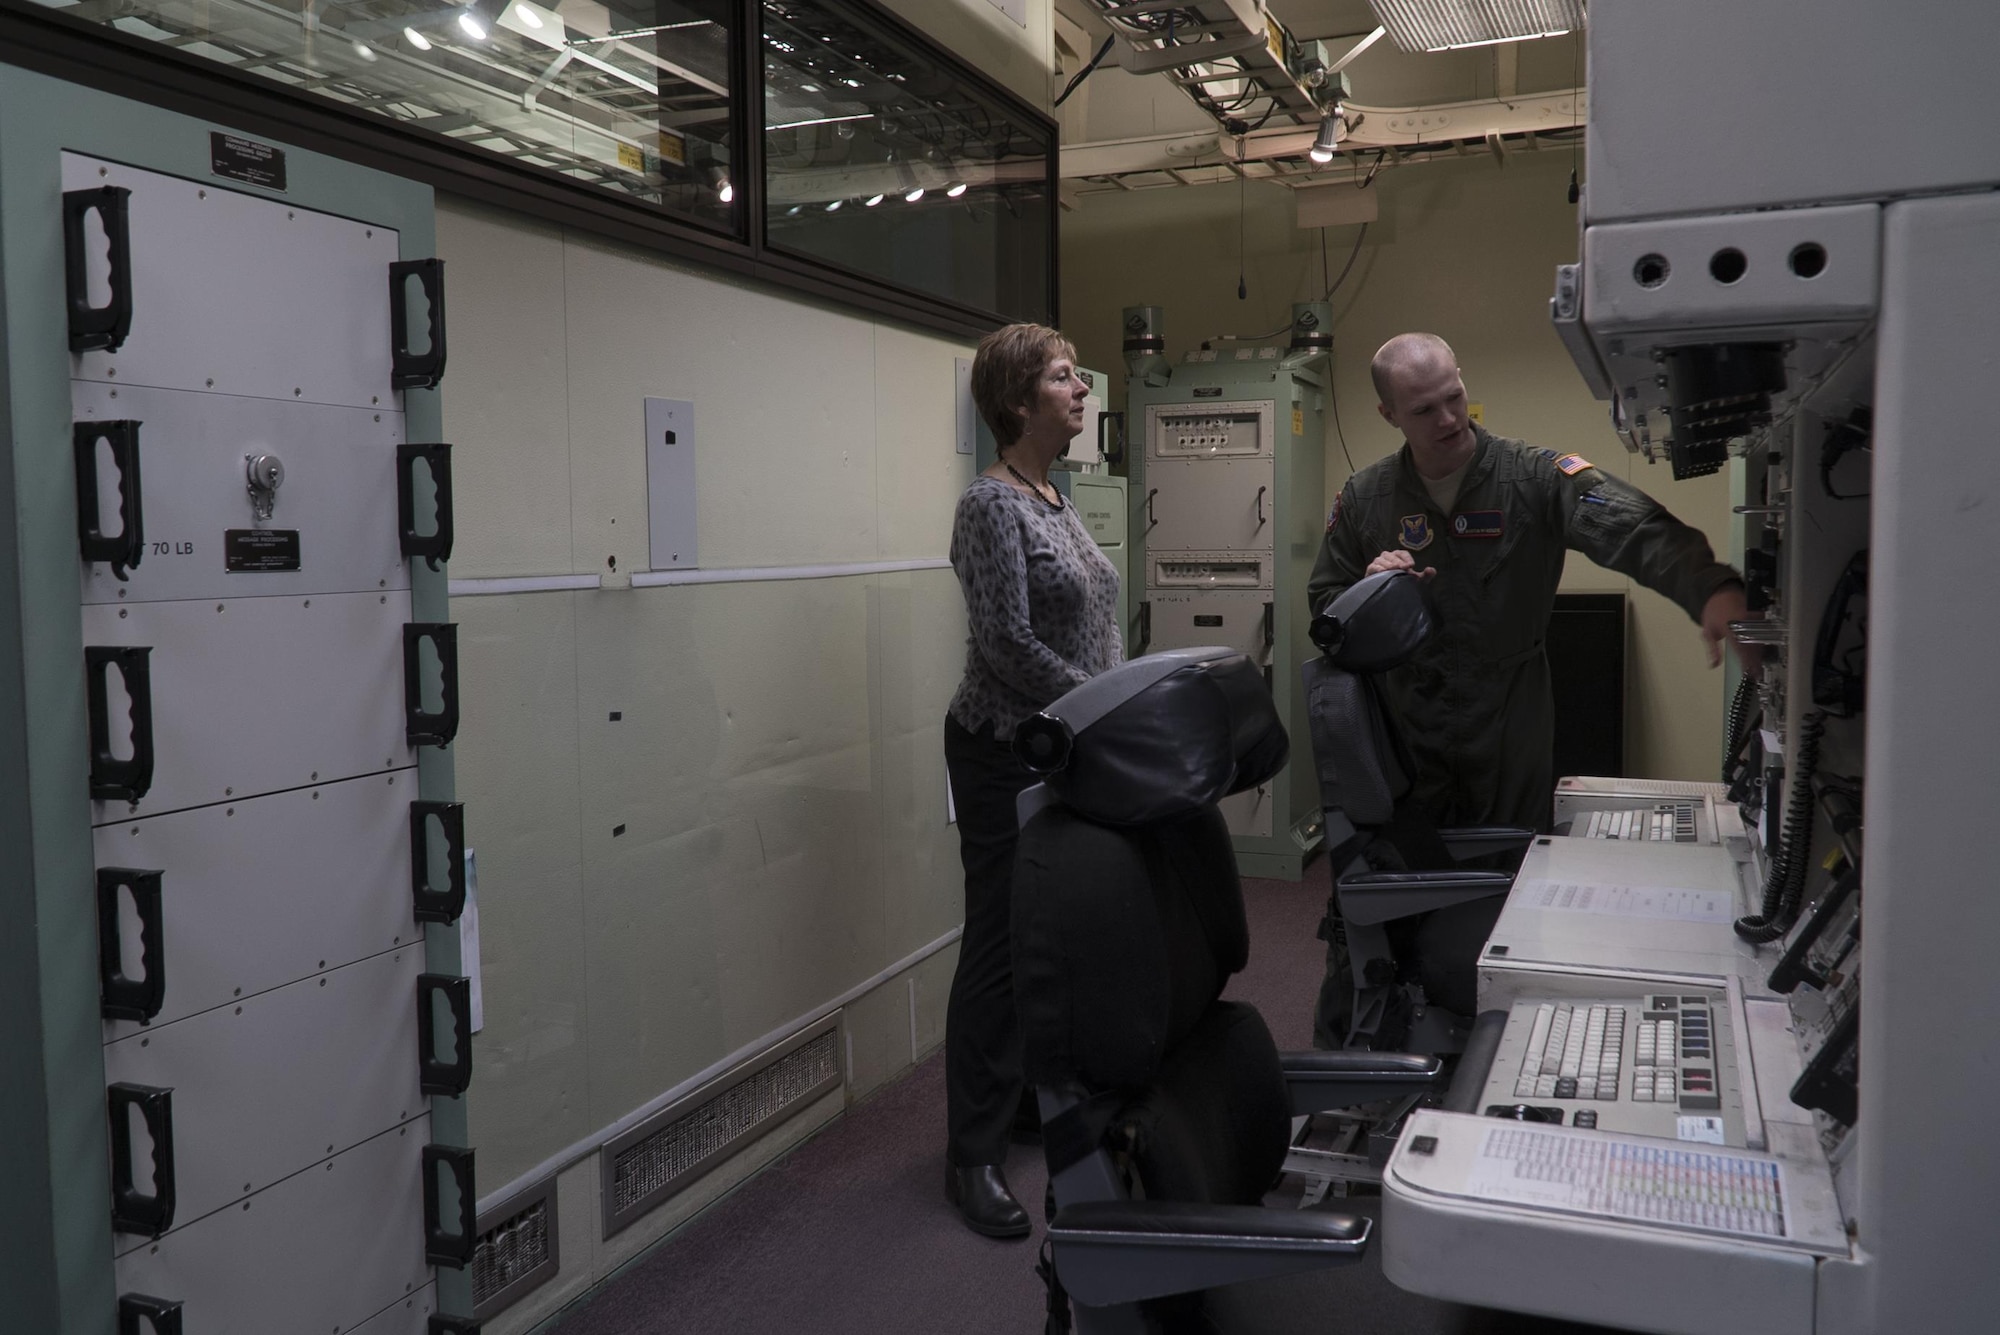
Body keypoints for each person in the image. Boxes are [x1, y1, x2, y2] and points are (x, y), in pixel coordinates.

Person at [1305, 332, 1756, 1047]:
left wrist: (1710, 589)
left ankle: (1497, 1053)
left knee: (1503, 903)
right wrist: (1365, 592)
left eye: (1454, 396)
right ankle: (1373, 1053)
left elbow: (1633, 528)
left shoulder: (1534, 478)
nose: (1449, 419)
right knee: (1387, 905)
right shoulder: (1367, 499)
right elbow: (1324, 608)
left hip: (1506, 731)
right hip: (1407, 737)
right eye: (1425, 409)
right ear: (1389, 413)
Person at [942, 323, 1121, 1237]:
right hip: (1001, 746)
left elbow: (1089, 618)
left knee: (1044, 931)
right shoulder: (990, 506)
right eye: (1063, 377)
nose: (1082, 388)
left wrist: (1116, 700)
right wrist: (1112, 701)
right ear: (1018, 403)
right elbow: (1009, 643)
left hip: (1063, 739)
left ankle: (1017, 1105)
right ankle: (970, 1154)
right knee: (998, 943)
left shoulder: (1054, 495)